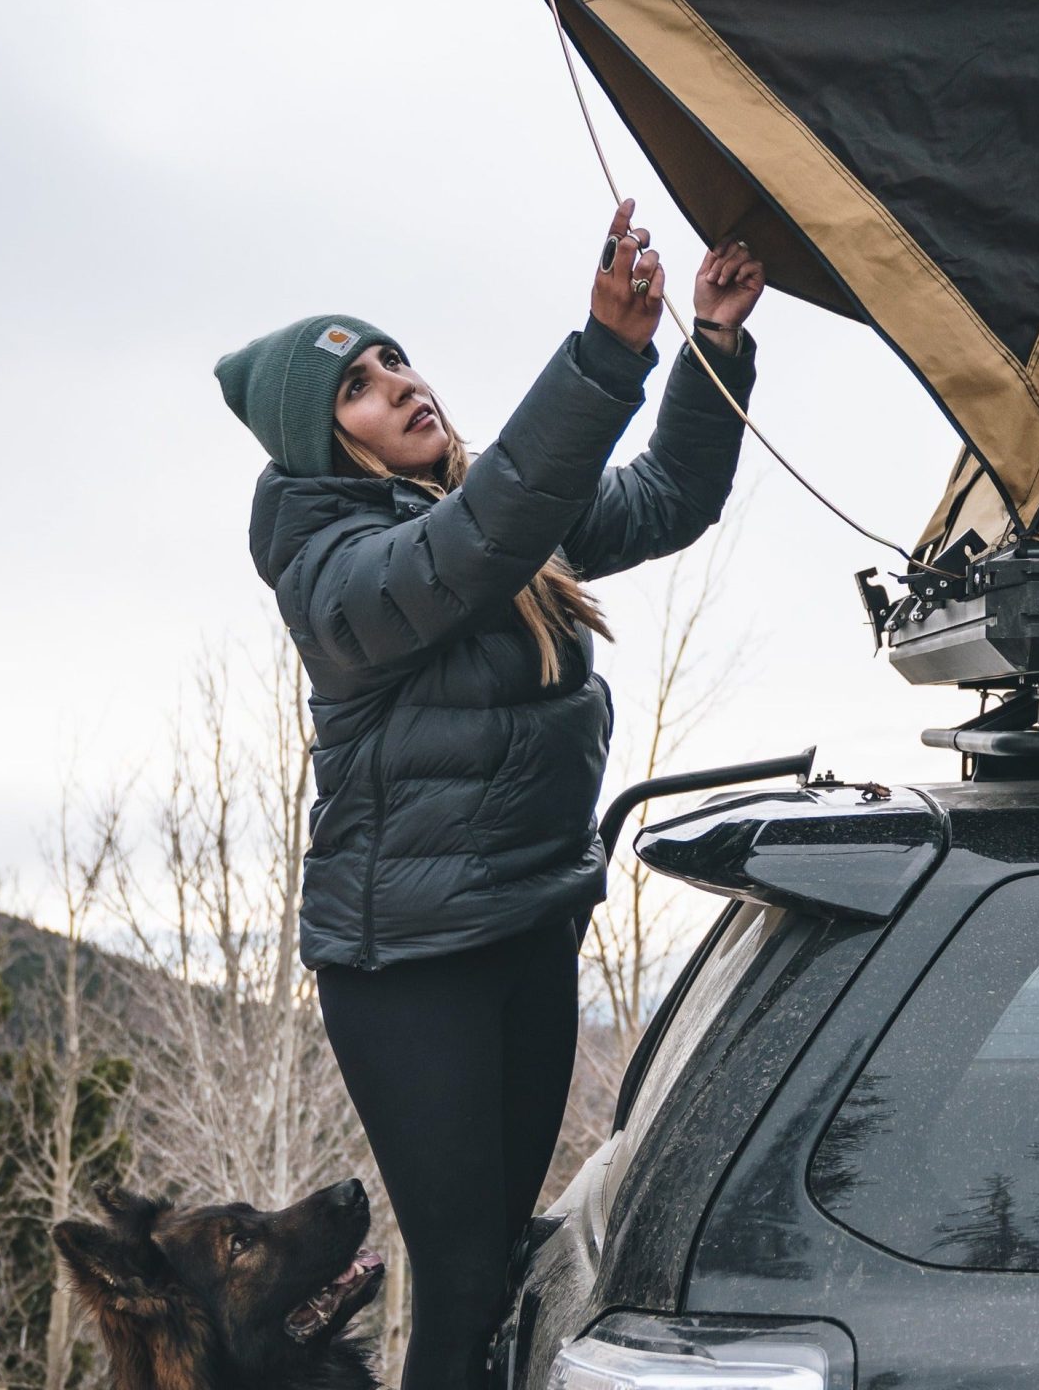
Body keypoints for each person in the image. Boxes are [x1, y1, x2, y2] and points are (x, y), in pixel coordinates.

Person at [212, 203, 764, 1390]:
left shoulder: (480, 505)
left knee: (515, 1265)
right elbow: (471, 552)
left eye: (394, 357)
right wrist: (605, 356)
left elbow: (666, 496)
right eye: (358, 386)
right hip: (408, 968)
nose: (399, 383)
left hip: (521, 929)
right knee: (462, 1280)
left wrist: (711, 341)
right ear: (323, 438)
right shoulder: (333, 571)